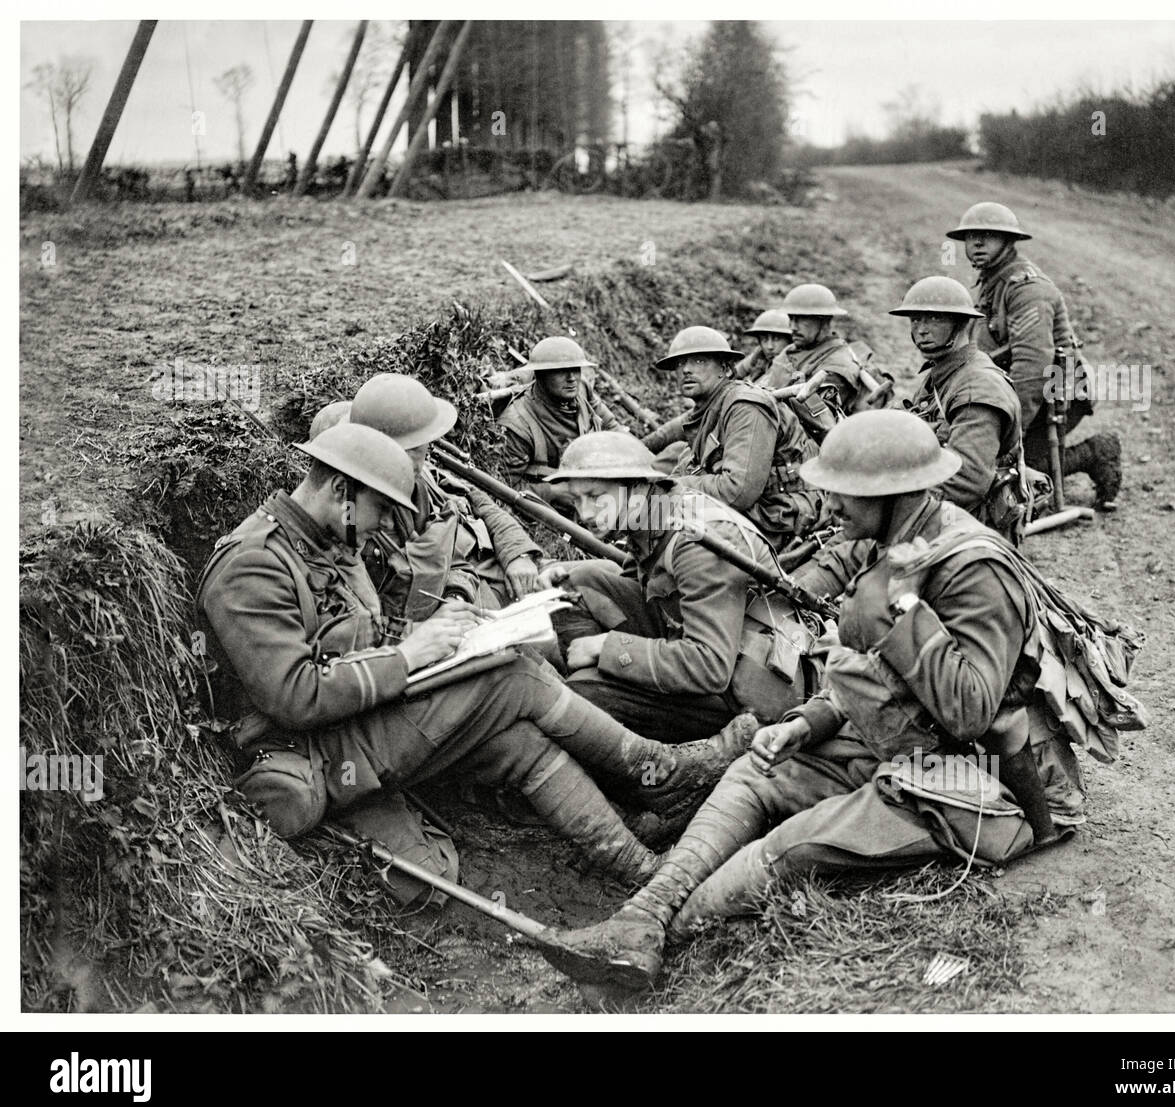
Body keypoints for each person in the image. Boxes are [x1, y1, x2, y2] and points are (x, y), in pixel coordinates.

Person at [537, 411, 1138, 999]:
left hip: (988, 779)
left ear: (893, 493)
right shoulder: (894, 540)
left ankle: (652, 937)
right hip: (908, 741)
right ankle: (642, 914)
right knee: (757, 768)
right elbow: (871, 674)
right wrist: (808, 720)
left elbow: (975, 712)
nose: (828, 507)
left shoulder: (973, 568)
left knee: (783, 850)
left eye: (843, 494)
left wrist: (901, 613)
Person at [197, 422, 758, 906]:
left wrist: (432, 636)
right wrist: (408, 655)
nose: (380, 526)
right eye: (381, 510)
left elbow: (362, 636)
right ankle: (656, 769)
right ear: (343, 490)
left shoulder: (328, 541)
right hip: (314, 749)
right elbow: (294, 697)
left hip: (357, 716)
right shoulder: (253, 565)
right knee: (509, 676)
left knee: (514, 737)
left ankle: (639, 864)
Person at [539, 431, 817, 746]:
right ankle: (600, 685)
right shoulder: (654, 511)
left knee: (585, 696)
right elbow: (643, 583)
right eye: (576, 500)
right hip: (700, 642)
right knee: (574, 585)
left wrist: (608, 647)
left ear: (637, 486)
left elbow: (711, 666)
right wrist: (563, 574)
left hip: (744, 693)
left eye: (595, 496)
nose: (585, 514)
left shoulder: (694, 541)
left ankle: (670, 763)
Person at [947, 201, 1122, 509]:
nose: (976, 242)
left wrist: (1009, 431)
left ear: (1008, 241)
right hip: (1022, 392)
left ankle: (1097, 452)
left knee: (1002, 469)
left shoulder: (1027, 289)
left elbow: (1033, 368)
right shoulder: (993, 280)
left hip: (1054, 396)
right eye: (971, 235)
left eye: (988, 235)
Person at [339, 373, 542, 619]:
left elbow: (482, 504)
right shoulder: (360, 513)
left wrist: (517, 554)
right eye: (411, 448)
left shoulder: (427, 477)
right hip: (474, 595)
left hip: (499, 570)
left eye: (418, 447)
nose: (417, 458)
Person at [640, 326, 824, 551]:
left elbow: (737, 491)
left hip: (779, 514)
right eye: (680, 363)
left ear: (726, 370)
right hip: (757, 510)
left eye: (699, 361)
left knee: (680, 544)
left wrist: (672, 488)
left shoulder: (745, 407)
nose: (686, 370)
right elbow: (691, 469)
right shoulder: (709, 409)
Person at [892, 276, 1029, 544]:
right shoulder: (944, 372)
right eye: (915, 319)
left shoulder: (977, 387)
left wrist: (893, 505)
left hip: (972, 533)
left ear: (962, 323)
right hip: (944, 512)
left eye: (934, 319)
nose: (921, 330)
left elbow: (966, 480)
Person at [499, 336, 627, 508]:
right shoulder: (519, 425)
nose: (572, 378)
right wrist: (553, 492)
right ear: (540, 374)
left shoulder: (581, 389)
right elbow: (505, 487)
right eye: (561, 370)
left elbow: (611, 426)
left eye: (575, 369)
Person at [757, 283, 887, 438]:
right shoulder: (791, 350)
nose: (792, 326)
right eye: (791, 318)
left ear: (823, 321)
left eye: (801, 319)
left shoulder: (838, 363)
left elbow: (820, 418)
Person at [734, 310, 792, 385]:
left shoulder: (795, 362)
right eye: (764, 340)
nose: (770, 346)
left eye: (776, 339)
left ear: (789, 340)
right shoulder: (759, 355)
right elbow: (734, 373)